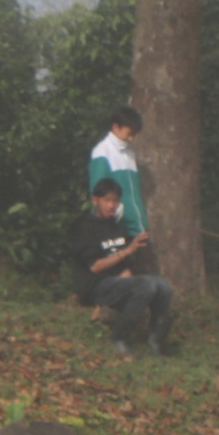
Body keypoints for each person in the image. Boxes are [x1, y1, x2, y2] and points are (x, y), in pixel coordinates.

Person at [71, 177, 172, 357]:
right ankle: (119, 338)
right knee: (146, 285)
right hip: (95, 285)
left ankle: (155, 340)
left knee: (162, 286)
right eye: (107, 200)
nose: (111, 205)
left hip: (117, 284)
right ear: (96, 201)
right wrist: (128, 251)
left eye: (115, 201)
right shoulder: (84, 227)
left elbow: (125, 270)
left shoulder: (117, 227)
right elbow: (95, 267)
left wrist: (134, 288)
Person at [88, 105, 147, 234]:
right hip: (117, 228)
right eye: (129, 134)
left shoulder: (129, 153)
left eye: (134, 134)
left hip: (137, 228)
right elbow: (98, 192)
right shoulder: (102, 152)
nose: (131, 138)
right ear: (116, 127)